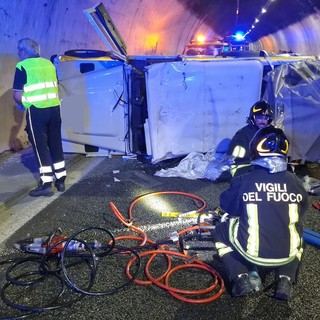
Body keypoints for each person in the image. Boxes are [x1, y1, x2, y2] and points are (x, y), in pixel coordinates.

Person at [211, 126, 309, 300]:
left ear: (255, 149)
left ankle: (239, 276)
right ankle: (286, 279)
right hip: (286, 255)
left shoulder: (244, 179)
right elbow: (302, 209)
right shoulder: (294, 181)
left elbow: (228, 206)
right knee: (298, 231)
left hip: (251, 251)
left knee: (219, 230)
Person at [12, 38, 66, 197]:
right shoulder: (49, 64)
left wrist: (23, 103)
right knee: (55, 143)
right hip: (54, 109)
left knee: (40, 146)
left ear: (24, 52)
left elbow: (17, 95)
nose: (18, 54)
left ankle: (46, 183)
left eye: (18, 50)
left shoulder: (22, 66)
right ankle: (61, 180)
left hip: (37, 111)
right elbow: (55, 86)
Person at [227, 100, 273, 177]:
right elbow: (235, 159)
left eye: (266, 118)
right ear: (253, 118)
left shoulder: (272, 133)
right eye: (260, 117)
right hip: (244, 168)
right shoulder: (242, 134)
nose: (263, 121)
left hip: (265, 167)